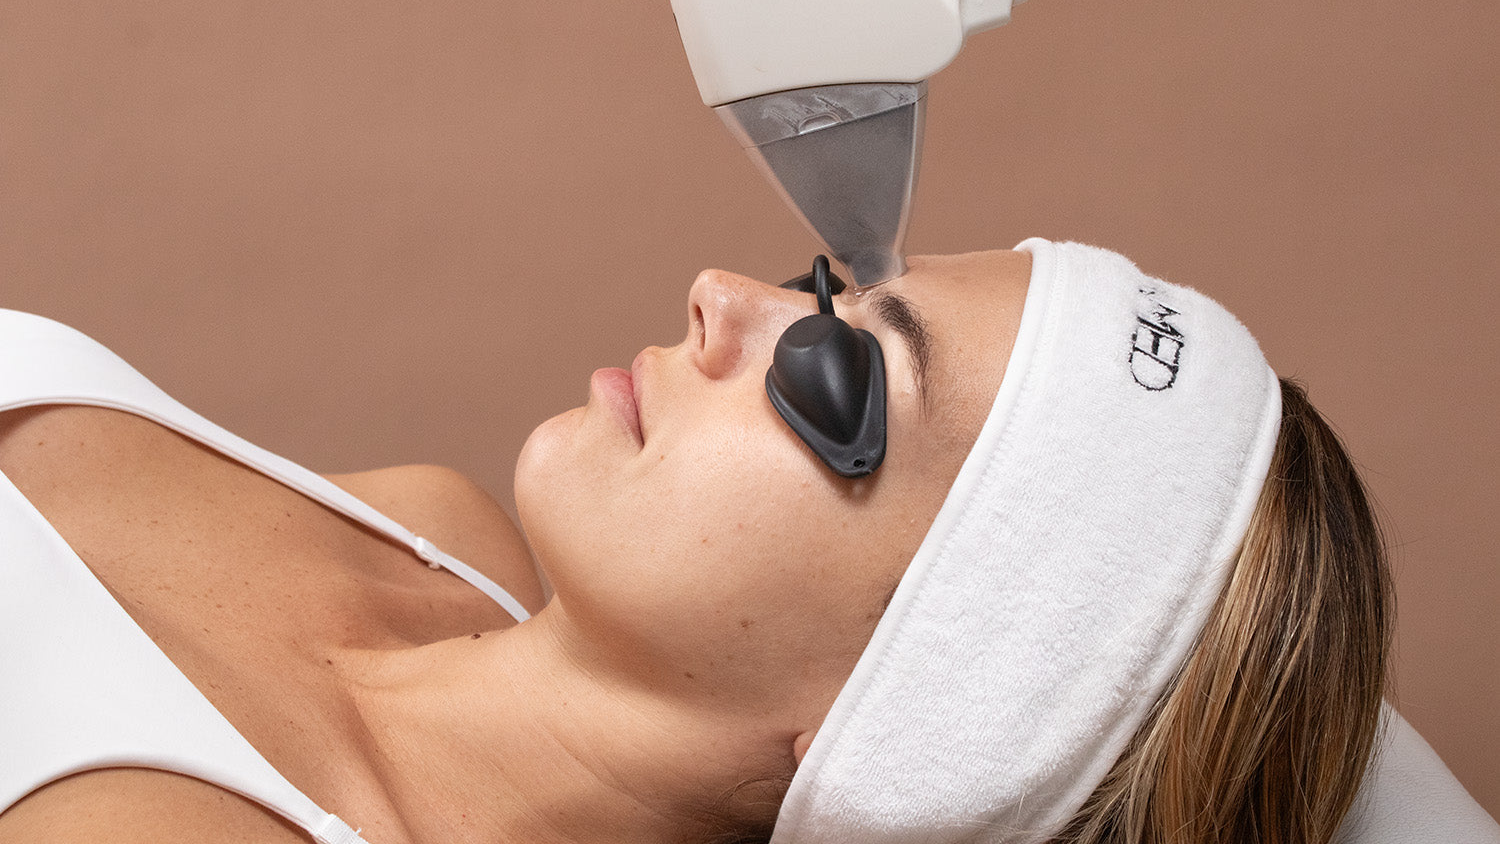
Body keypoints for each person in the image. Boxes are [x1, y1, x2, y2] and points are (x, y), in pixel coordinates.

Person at [2, 240, 1496, 844]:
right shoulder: (424, 536)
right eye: (823, 285)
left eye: (834, 377)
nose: (723, 297)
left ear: (908, 730)